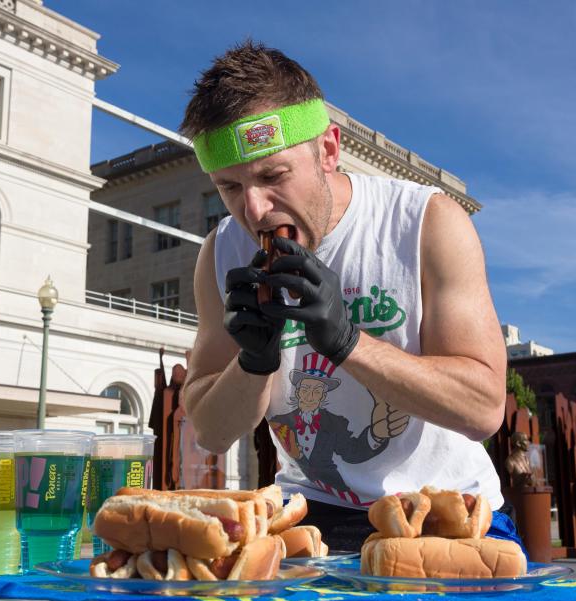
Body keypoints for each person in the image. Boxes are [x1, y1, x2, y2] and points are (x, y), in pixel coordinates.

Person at [180, 41, 516, 552]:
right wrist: (253, 361)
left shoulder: (425, 223)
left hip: (446, 514)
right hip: (307, 516)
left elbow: (483, 407)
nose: (253, 209)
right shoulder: (220, 253)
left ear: (329, 151)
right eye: (229, 187)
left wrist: (346, 341)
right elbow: (210, 430)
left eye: (273, 176)